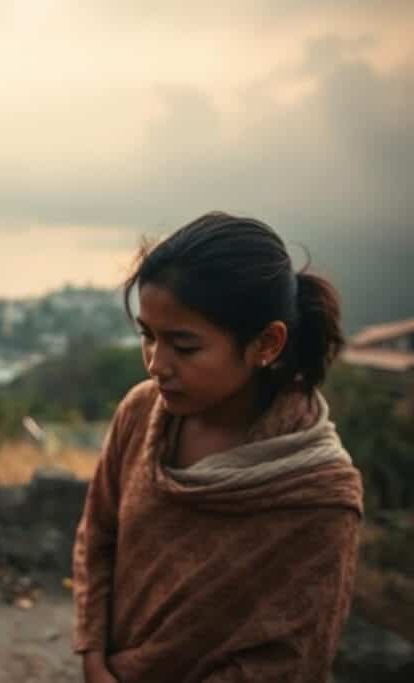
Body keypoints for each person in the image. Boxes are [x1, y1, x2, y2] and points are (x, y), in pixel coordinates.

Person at [72, 212, 363, 682]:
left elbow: (291, 657)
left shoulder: (317, 496)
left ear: (266, 343)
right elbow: (98, 534)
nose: (156, 364)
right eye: (148, 336)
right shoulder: (141, 413)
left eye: (184, 346)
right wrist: (93, 658)